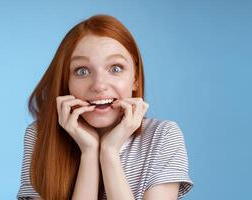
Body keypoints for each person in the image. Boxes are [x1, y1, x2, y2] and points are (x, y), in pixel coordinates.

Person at [17, 14, 193, 200]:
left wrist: (109, 153)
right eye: (82, 71)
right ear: (66, 80)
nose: (99, 85)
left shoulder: (162, 136)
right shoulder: (40, 136)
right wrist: (89, 153)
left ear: (135, 78)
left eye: (116, 68)